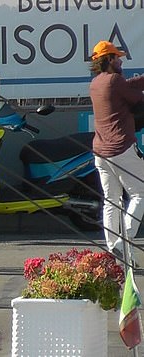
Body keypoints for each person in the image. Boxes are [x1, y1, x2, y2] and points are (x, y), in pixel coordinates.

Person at [89, 40, 144, 257]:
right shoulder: (114, 81)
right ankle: (127, 237)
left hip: (100, 152)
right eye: (117, 57)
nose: (121, 60)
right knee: (140, 193)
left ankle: (114, 247)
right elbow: (137, 98)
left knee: (111, 200)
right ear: (109, 60)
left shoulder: (96, 83)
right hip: (121, 148)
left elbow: (127, 86)